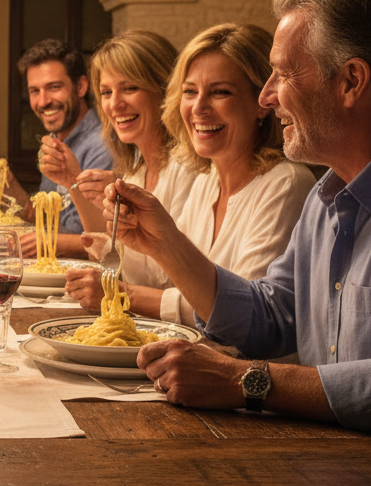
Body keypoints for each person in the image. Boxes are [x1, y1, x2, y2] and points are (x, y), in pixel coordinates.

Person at [112, 0, 371, 454]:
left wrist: (245, 381)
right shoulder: (328, 193)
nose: (267, 96)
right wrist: (165, 243)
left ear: (351, 81)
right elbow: (271, 316)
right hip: (330, 464)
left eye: (283, 74)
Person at [66, 24, 315, 326]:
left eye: (220, 92)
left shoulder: (286, 183)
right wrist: (137, 239)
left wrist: (122, 294)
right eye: (190, 92)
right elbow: (175, 284)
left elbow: (246, 317)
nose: (199, 108)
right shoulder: (206, 183)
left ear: (262, 102)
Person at [40, 30, 198, 285]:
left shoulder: (190, 169)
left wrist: (123, 293)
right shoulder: (136, 170)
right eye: (106, 92)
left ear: (165, 89)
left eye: (129, 88)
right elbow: (111, 257)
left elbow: (184, 286)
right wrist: (72, 180)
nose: (114, 104)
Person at [0, 39, 112, 257]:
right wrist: (11, 188)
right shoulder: (55, 140)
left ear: (81, 87)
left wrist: (50, 242)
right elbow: (48, 221)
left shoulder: (103, 145)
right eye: (34, 91)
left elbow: (108, 243)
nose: (42, 102)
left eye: (54, 87)